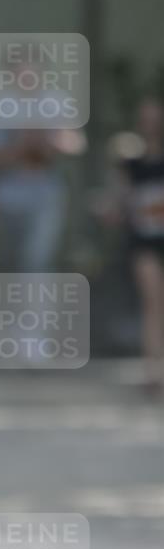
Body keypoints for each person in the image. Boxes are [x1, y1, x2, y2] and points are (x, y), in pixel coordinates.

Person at [104, 97, 164, 395]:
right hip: (145, 241)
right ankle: (153, 371)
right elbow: (120, 202)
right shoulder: (131, 164)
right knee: (153, 303)